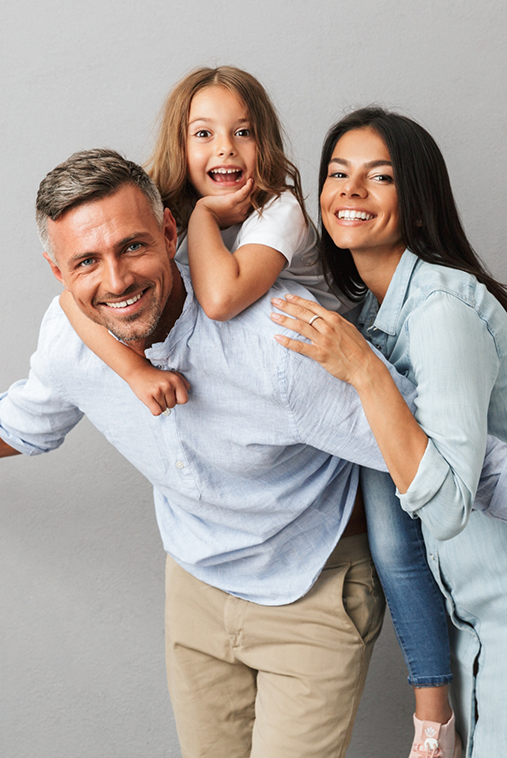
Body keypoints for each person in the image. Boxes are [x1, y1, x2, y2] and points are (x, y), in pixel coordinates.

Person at [0, 148, 420, 758]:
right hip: (195, 586)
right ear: (57, 271)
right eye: (86, 261)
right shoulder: (72, 342)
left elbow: (439, 448)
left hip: (311, 588)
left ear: (171, 231)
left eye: (133, 247)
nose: (115, 281)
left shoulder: (278, 345)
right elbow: (18, 424)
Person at [271, 107, 507, 758]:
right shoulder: (376, 314)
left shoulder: (439, 311)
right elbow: (396, 536)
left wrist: (363, 373)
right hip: (472, 632)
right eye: (337, 174)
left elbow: (446, 503)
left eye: (378, 176)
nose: (349, 189)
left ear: (419, 198)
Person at [59, 66, 347, 415]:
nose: (226, 148)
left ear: (264, 142)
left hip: (328, 366)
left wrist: (204, 217)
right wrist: (135, 373)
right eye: (204, 134)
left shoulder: (278, 208)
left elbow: (221, 301)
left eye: (243, 132)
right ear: (178, 144)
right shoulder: (163, 211)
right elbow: (69, 301)